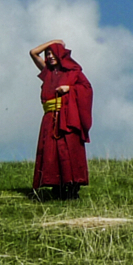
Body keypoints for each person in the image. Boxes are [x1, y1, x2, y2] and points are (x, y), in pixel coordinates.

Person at [29, 39, 92, 199]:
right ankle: (56, 186)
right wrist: (55, 41)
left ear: (60, 54)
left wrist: (69, 88)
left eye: (52, 53)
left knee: (68, 150)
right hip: (50, 118)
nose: (49, 56)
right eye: (47, 54)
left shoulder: (74, 72)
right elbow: (33, 53)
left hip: (68, 117)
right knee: (51, 151)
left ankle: (72, 187)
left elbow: (87, 89)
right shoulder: (47, 72)